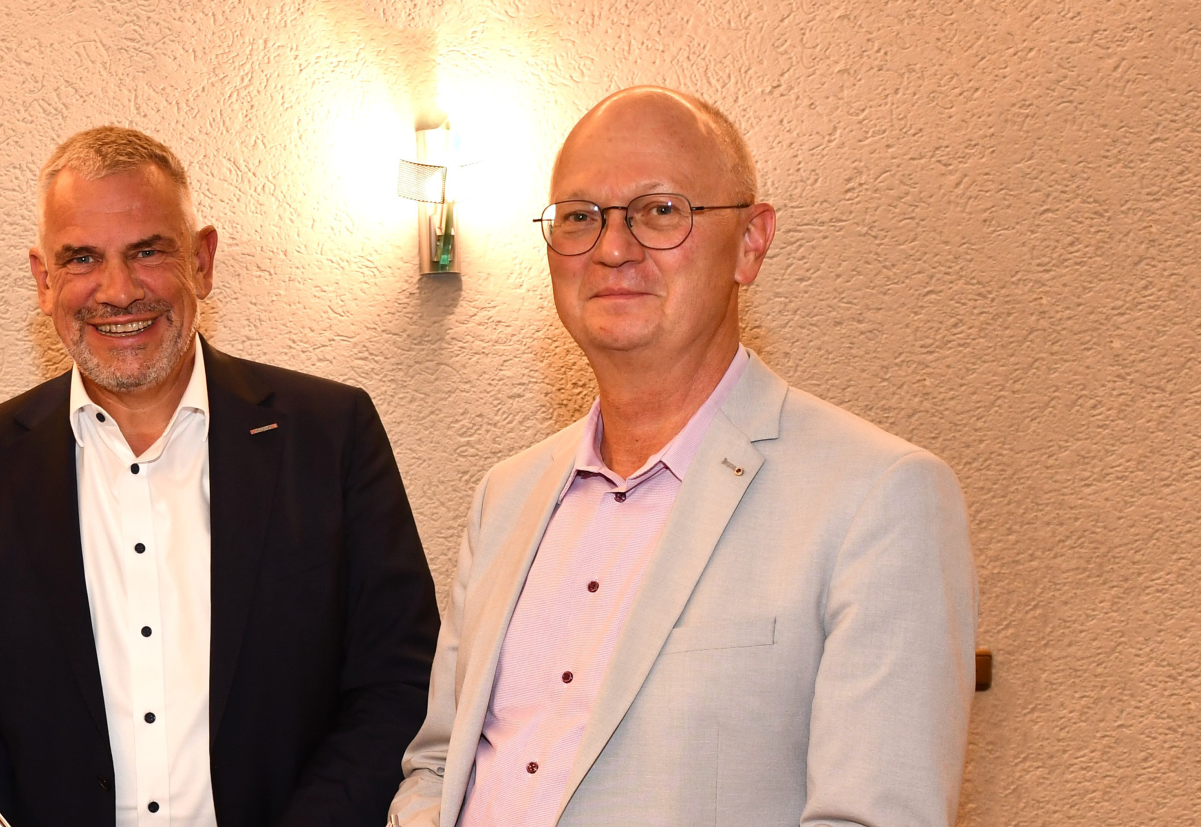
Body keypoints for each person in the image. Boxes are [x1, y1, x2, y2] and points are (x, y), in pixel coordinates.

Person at [390, 86, 979, 827]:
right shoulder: (505, 495)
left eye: (661, 210)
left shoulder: (878, 498)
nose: (612, 248)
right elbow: (438, 766)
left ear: (751, 242)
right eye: (580, 216)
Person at [0, 126, 440, 827]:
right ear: (43, 280)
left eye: (148, 251)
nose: (118, 291)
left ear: (202, 261)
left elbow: (398, 681)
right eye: (82, 258)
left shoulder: (330, 436)